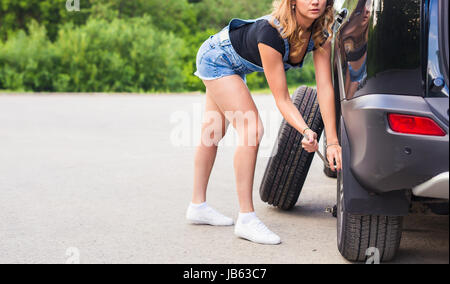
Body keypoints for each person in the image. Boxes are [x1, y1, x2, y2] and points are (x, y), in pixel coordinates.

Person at [186, 0, 342, 245]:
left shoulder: (321, 34)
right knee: (251, 128)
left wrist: (332, 141)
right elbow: (282, 99)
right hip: (217, 57)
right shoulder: (271, 33)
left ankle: (197, 206)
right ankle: (246, 219)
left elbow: (324, 88)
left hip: (234, 62)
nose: (315, 1)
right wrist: (305, 130)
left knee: (212, 132)